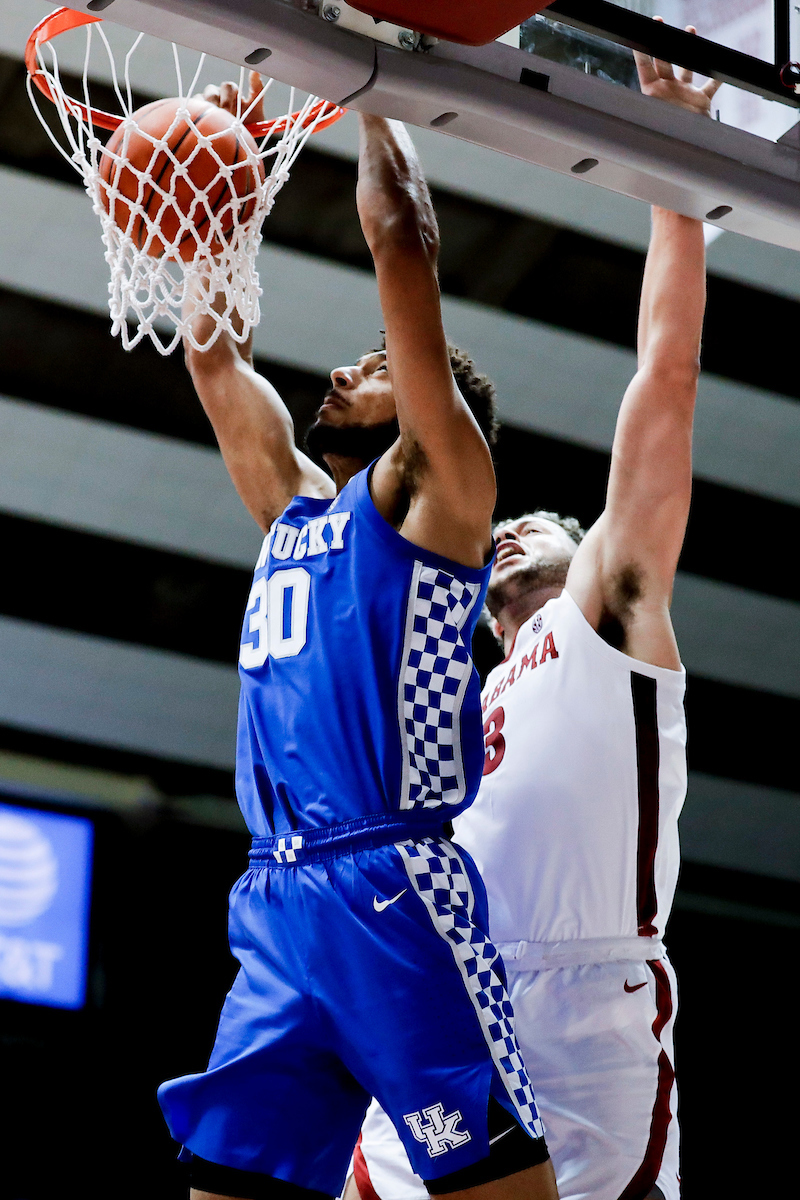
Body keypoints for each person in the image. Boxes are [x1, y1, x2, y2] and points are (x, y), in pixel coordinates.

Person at [157, 85, 558, 1200]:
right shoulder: (295, 515)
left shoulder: (443, 495)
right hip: (275, 904)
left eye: (375, 366)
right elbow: (214, 363)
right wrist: (211, 206)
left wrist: (363, 87)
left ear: (431, 414)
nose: (343, 370)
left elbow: (401, 243)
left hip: (393, 890)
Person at [350, 37, 721, 1200]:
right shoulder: (455, 694)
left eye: (544, 524)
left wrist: (677, 197)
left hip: (588, 1009)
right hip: (455, 998)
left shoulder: (604, 617)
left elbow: (661, 386)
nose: (514, 533)